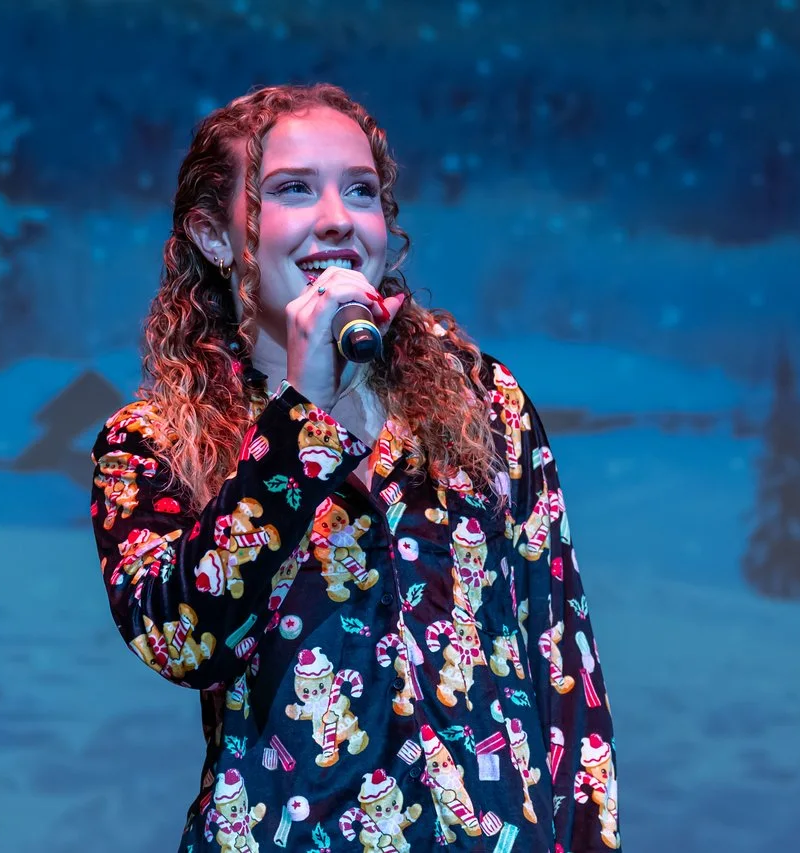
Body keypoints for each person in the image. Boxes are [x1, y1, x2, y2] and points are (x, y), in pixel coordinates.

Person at [89, 83, 621, 853]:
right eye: (293, 189)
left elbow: (563, 665)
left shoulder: (482, 402)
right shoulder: (151, 446)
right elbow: (184, 641)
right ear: (214, 235)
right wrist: (303, 412)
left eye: (361, 190)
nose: (337, 218)